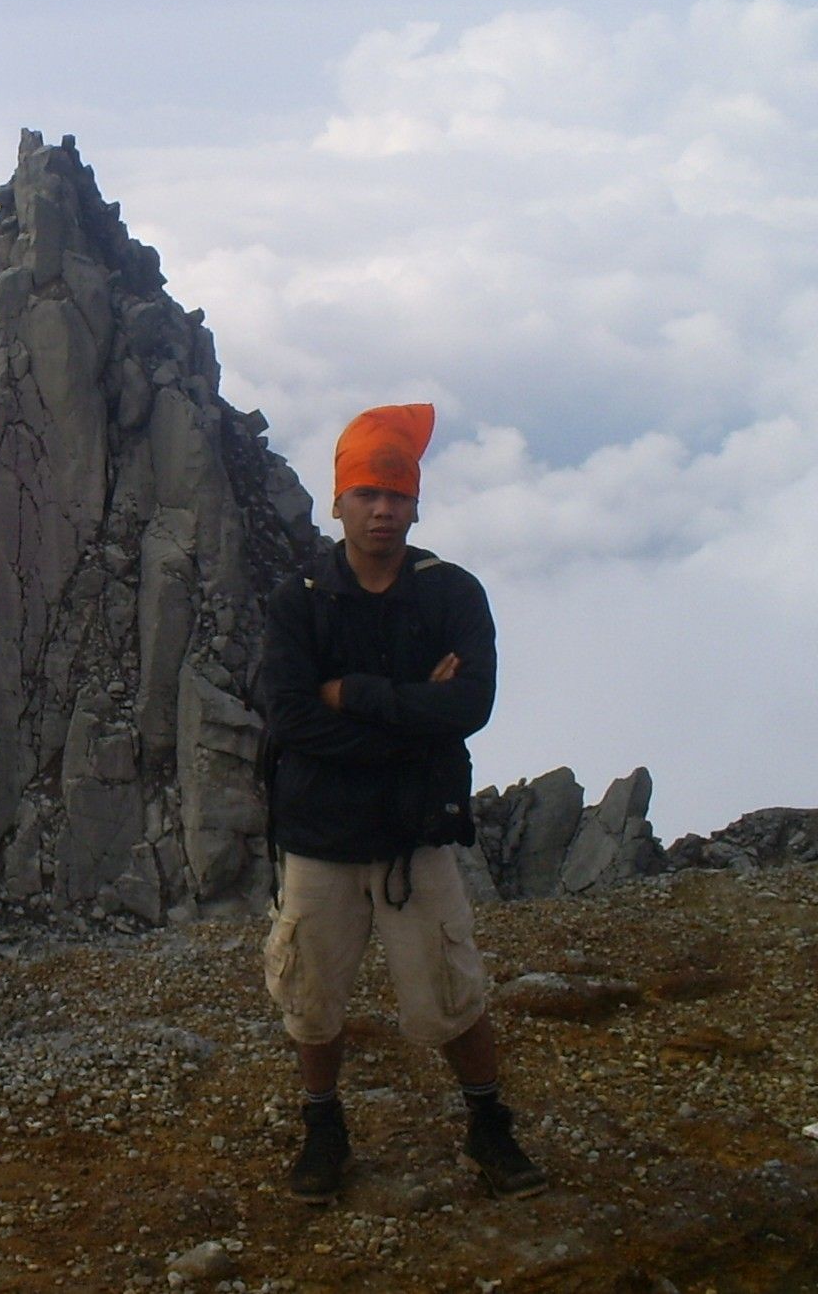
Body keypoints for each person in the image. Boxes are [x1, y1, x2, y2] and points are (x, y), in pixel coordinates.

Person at [256, 402, 546, 1203]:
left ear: (417, 505)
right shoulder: (301, 598)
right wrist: (411, 716)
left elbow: (472, 706)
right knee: (312, 996)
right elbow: (290, 716)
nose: (383, 510)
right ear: (339, 500)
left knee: (449, 993)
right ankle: (324, 1128)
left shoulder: (450, 592)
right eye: (368, 494)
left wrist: (353, 693)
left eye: (398, 495)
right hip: (322, 835)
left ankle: (489, 1125)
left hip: (414, 834)